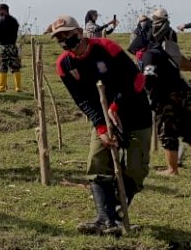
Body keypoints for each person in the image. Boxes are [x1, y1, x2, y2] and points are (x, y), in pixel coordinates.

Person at [49, 15, 151, 235]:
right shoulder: (64, 65)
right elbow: (82, 100)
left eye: (67, 34)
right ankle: (105, 219)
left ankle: (117, 213)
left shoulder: (106, 48)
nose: (64, 40)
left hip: (135, 111)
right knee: (97, 162)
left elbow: (136, 80)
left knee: (136, 169)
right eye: (59, 37)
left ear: (79, 32)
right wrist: (102, 127)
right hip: (103, 117)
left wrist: (115, 106)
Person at [128, 30, 191, 178]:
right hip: (184, 96)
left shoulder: (149, 55)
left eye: (136, 53)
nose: (136, 56)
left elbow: (149, 79)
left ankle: (172, 170)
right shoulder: (162, 54)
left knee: (168, 135)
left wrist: (147, 97)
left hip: (166, 100)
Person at [150, 8, 191, 82]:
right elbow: (174, 46)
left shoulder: (150, 29)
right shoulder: (170, 31)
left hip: (153, 56)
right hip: (170, 57)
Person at [0, 3, 22, 93]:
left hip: (3, 46)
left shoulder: (0, 20)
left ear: (4, 10)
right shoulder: (14, 20)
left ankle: (1, 87)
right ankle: (18, 87)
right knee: (15, 66)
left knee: (2, 65)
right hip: (13, 46)